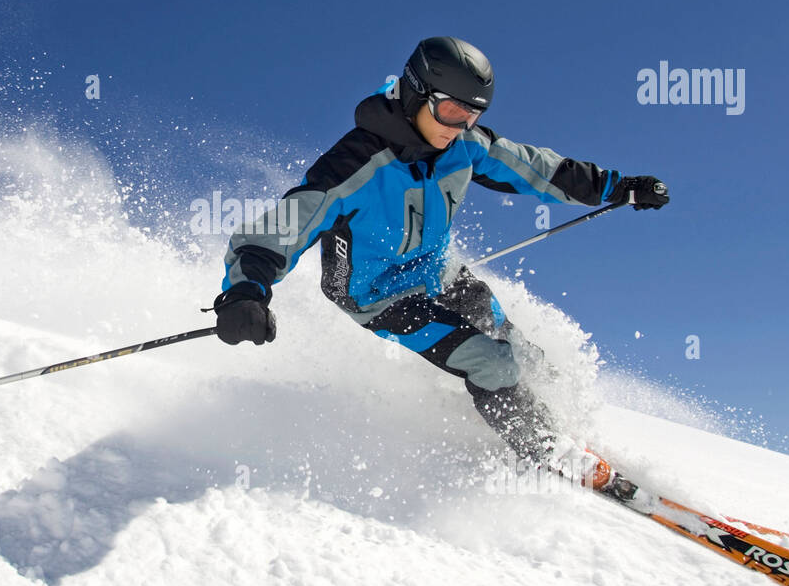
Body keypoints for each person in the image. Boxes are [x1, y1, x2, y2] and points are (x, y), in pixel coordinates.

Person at [212, 37, 668, 484]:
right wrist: (244, 294)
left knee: (521, 351)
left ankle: (562, 424)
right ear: (415, 93)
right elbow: (277, 232)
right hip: (376, 295)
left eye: (472, 114)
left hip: (438, 271)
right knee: (491, 362)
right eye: (451, 110)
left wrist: (617, 186)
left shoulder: (464, 144)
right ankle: (546, 449)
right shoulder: (354, 165)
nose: (459, 125)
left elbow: (536, 168)